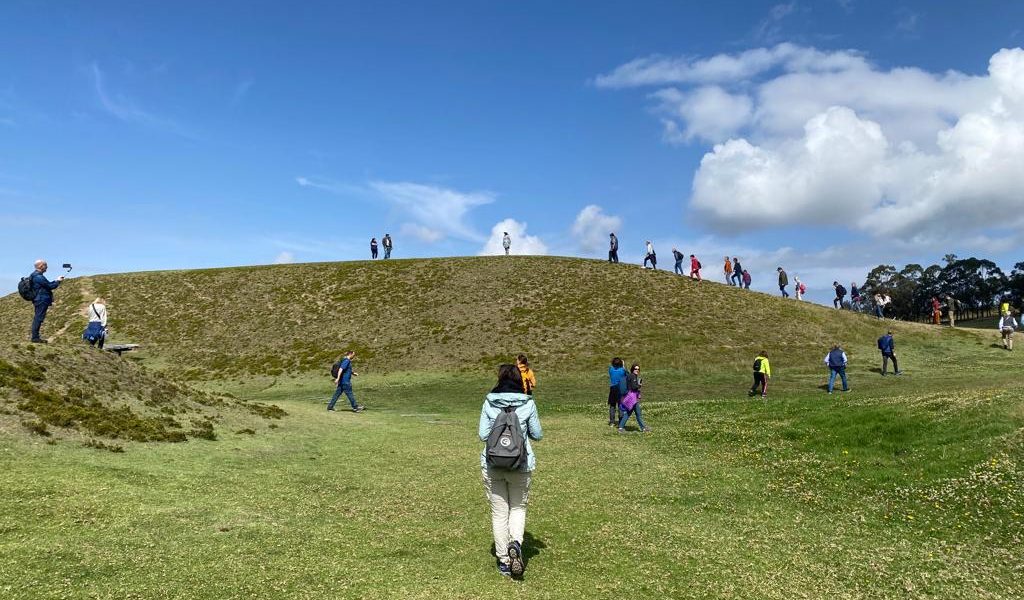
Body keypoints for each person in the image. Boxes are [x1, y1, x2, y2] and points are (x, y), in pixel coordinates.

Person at [478, 364, 542, 578]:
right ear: (519, 380)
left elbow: (483, 434)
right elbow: (537, 434)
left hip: (493, 463)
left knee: (499, 513)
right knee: (518, 507)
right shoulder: (528, 403)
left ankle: (504, 560)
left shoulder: (489, 402)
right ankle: (515, 542)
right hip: (520, 464)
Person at [28, 260, 64, 343]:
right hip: (41, 299)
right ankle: (35, 338)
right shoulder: (38, 277)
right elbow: (50, 286)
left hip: (38, 299)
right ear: (41, 266)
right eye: (45, 265)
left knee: (38, 317)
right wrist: (58, 281)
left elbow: (46, 285)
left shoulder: (35, 275)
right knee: (38, 318)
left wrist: (56, 281)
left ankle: (35, 337)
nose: (47, 267)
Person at [618, 363, 650, 432]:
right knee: (638, 413)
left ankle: (620, 427)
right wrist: (639, 385)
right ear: (633, 369)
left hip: (631, 397)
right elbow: (633, 387)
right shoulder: (633, 376)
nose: (637, 370)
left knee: (628, 413)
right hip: (633, 398)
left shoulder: (630, 375)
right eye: (635, 369)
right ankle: (644, 428)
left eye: (638, 369)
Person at [607, 357, 627, 426]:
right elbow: (627, 375)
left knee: (612, 406)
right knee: (620, 405)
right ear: (621, 363)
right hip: (620, 389)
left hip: (612, 389)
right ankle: (621, 421)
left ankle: (612, 422)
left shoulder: (611, 369)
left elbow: (611, 366)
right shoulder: (622, 370)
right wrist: (623, 365)